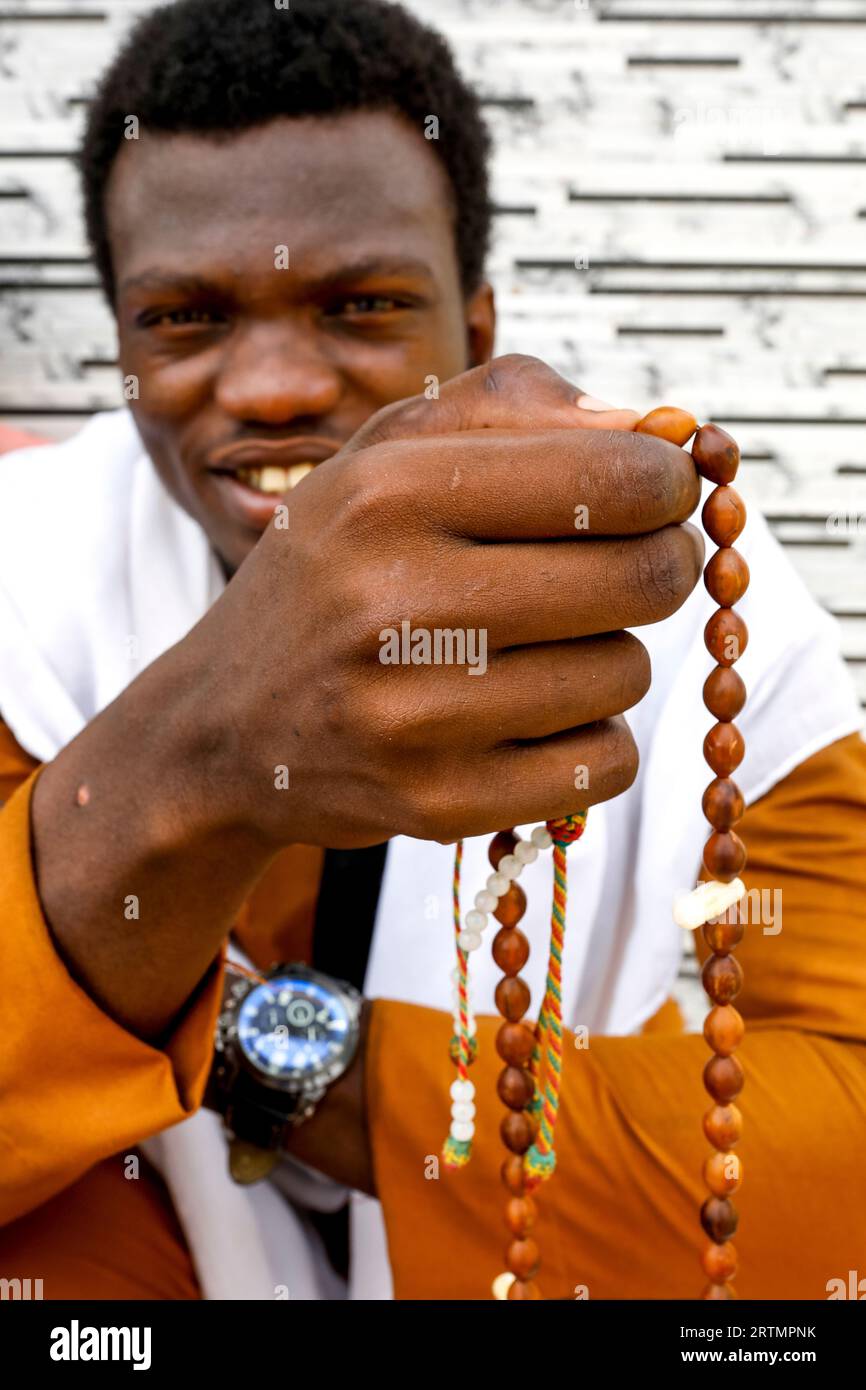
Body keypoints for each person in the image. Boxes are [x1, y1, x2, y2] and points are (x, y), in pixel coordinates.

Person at [1, 0, 864, 1302]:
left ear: (478, 323)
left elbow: (837, 1157)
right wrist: (203, 751)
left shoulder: (690, 576)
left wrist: (262, 1057)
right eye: (183, 319)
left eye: (360, 305)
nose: (273, 386)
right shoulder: (26, 585)